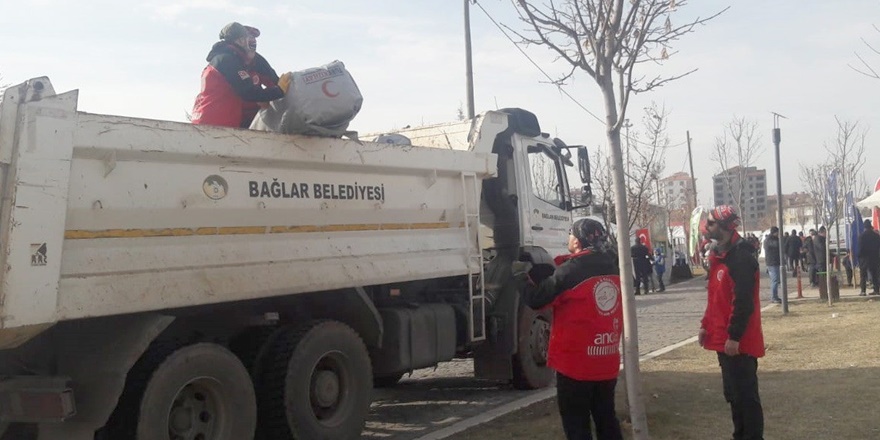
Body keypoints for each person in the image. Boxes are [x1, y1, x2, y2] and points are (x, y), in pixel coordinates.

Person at [517, 218, 624, 440]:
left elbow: (537, 299)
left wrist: (520, 277)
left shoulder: (570, 271)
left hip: (575, 364)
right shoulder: (613, 265)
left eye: (570, 234)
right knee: (607, 420)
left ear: (577, 240)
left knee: (577, 426)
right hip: (606, 359)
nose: (568, 238)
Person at [698, 205, 765, 440]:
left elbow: (743, 301)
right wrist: (705, 325)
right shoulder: (719, 256)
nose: (706, 226)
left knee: (746, 396)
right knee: (734, 395)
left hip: (739, 341)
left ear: (725, 227)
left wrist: (735, 336)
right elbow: (715, 297)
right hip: (722, 338)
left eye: (711, 223)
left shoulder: (741, 258)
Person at [192, 22, 291, 128]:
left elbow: (274, 81)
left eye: (254, 37)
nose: (253, 41)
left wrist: (276, 92)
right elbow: (248, 92)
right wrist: (278, 91)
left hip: (229, 124)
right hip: (216, 125)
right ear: (240, 40)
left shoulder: (255, 61)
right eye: (248, 36)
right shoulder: (226, 60)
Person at [857, 219, 880, 296]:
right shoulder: (877, 236)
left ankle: (863, 291)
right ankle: (876, 290)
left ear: (864, 227)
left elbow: (860, 248)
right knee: (874, 275)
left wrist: (859, 256)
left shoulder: (862, 236)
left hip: (864, 258)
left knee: (863, 275)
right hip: (874, 258)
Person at [762, 227, 782, 304]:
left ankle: (775, 296)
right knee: (775, 280)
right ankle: (774, 297)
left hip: (775, 262)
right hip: (772, 262)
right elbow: (777, 245)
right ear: (774, 232)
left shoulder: (773, 239)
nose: (778, 234)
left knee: (776, 280)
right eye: (777, 232)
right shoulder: (769, 240)